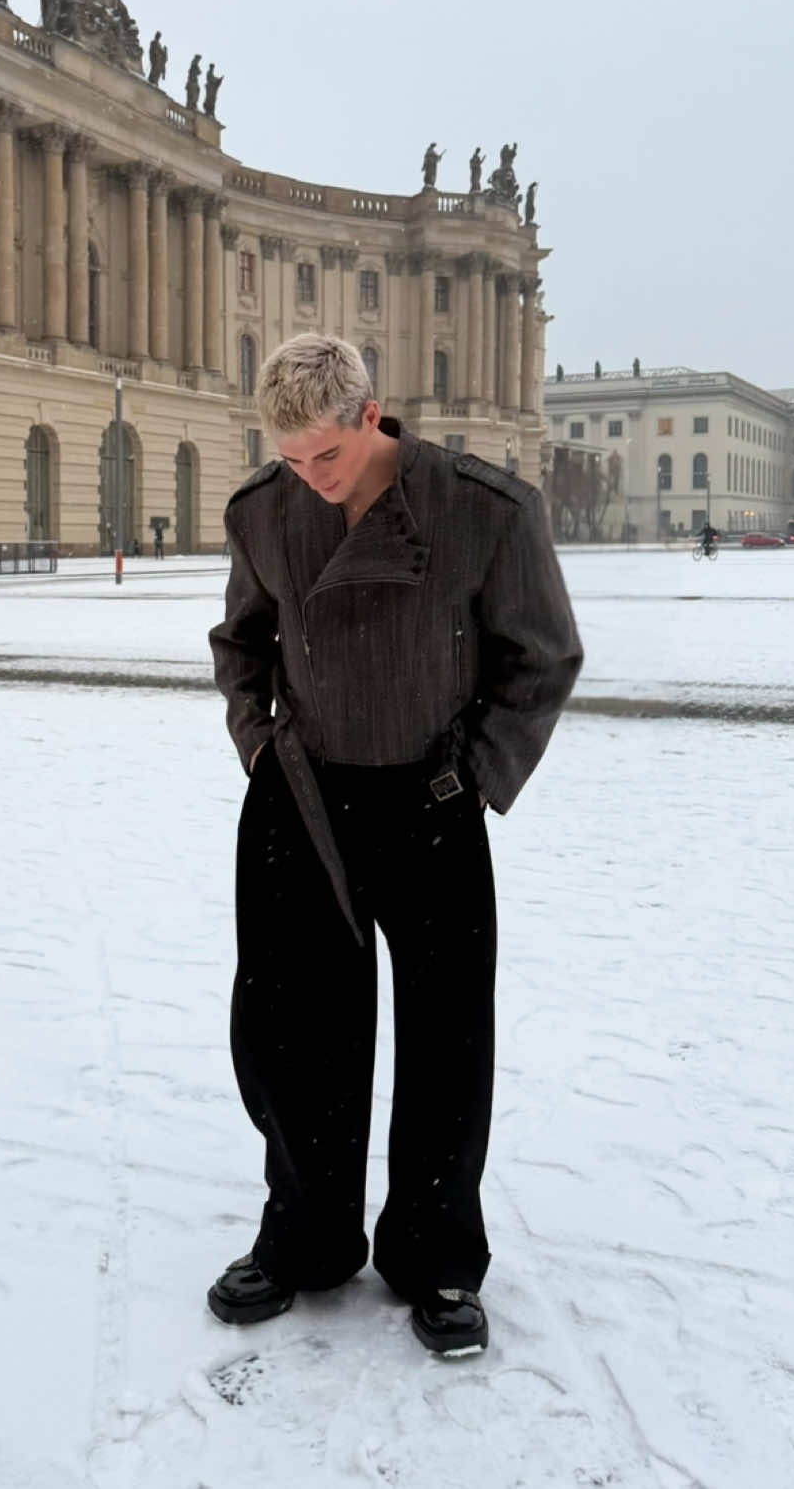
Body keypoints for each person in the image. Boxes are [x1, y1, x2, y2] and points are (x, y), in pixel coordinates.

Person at [207, 334, 582, 1357]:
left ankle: (436, 1257)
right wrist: (259, 750)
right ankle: (305, 1239)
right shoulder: (264, 514)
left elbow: (542, 656)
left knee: (449, 1041)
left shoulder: (483, 509)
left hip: (432, 797)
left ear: (372, 419)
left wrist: (476, 774)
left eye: (324, 456)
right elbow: (240, 646)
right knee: (295, 1036)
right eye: (289, 459)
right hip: (305, 798)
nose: (308, 479)